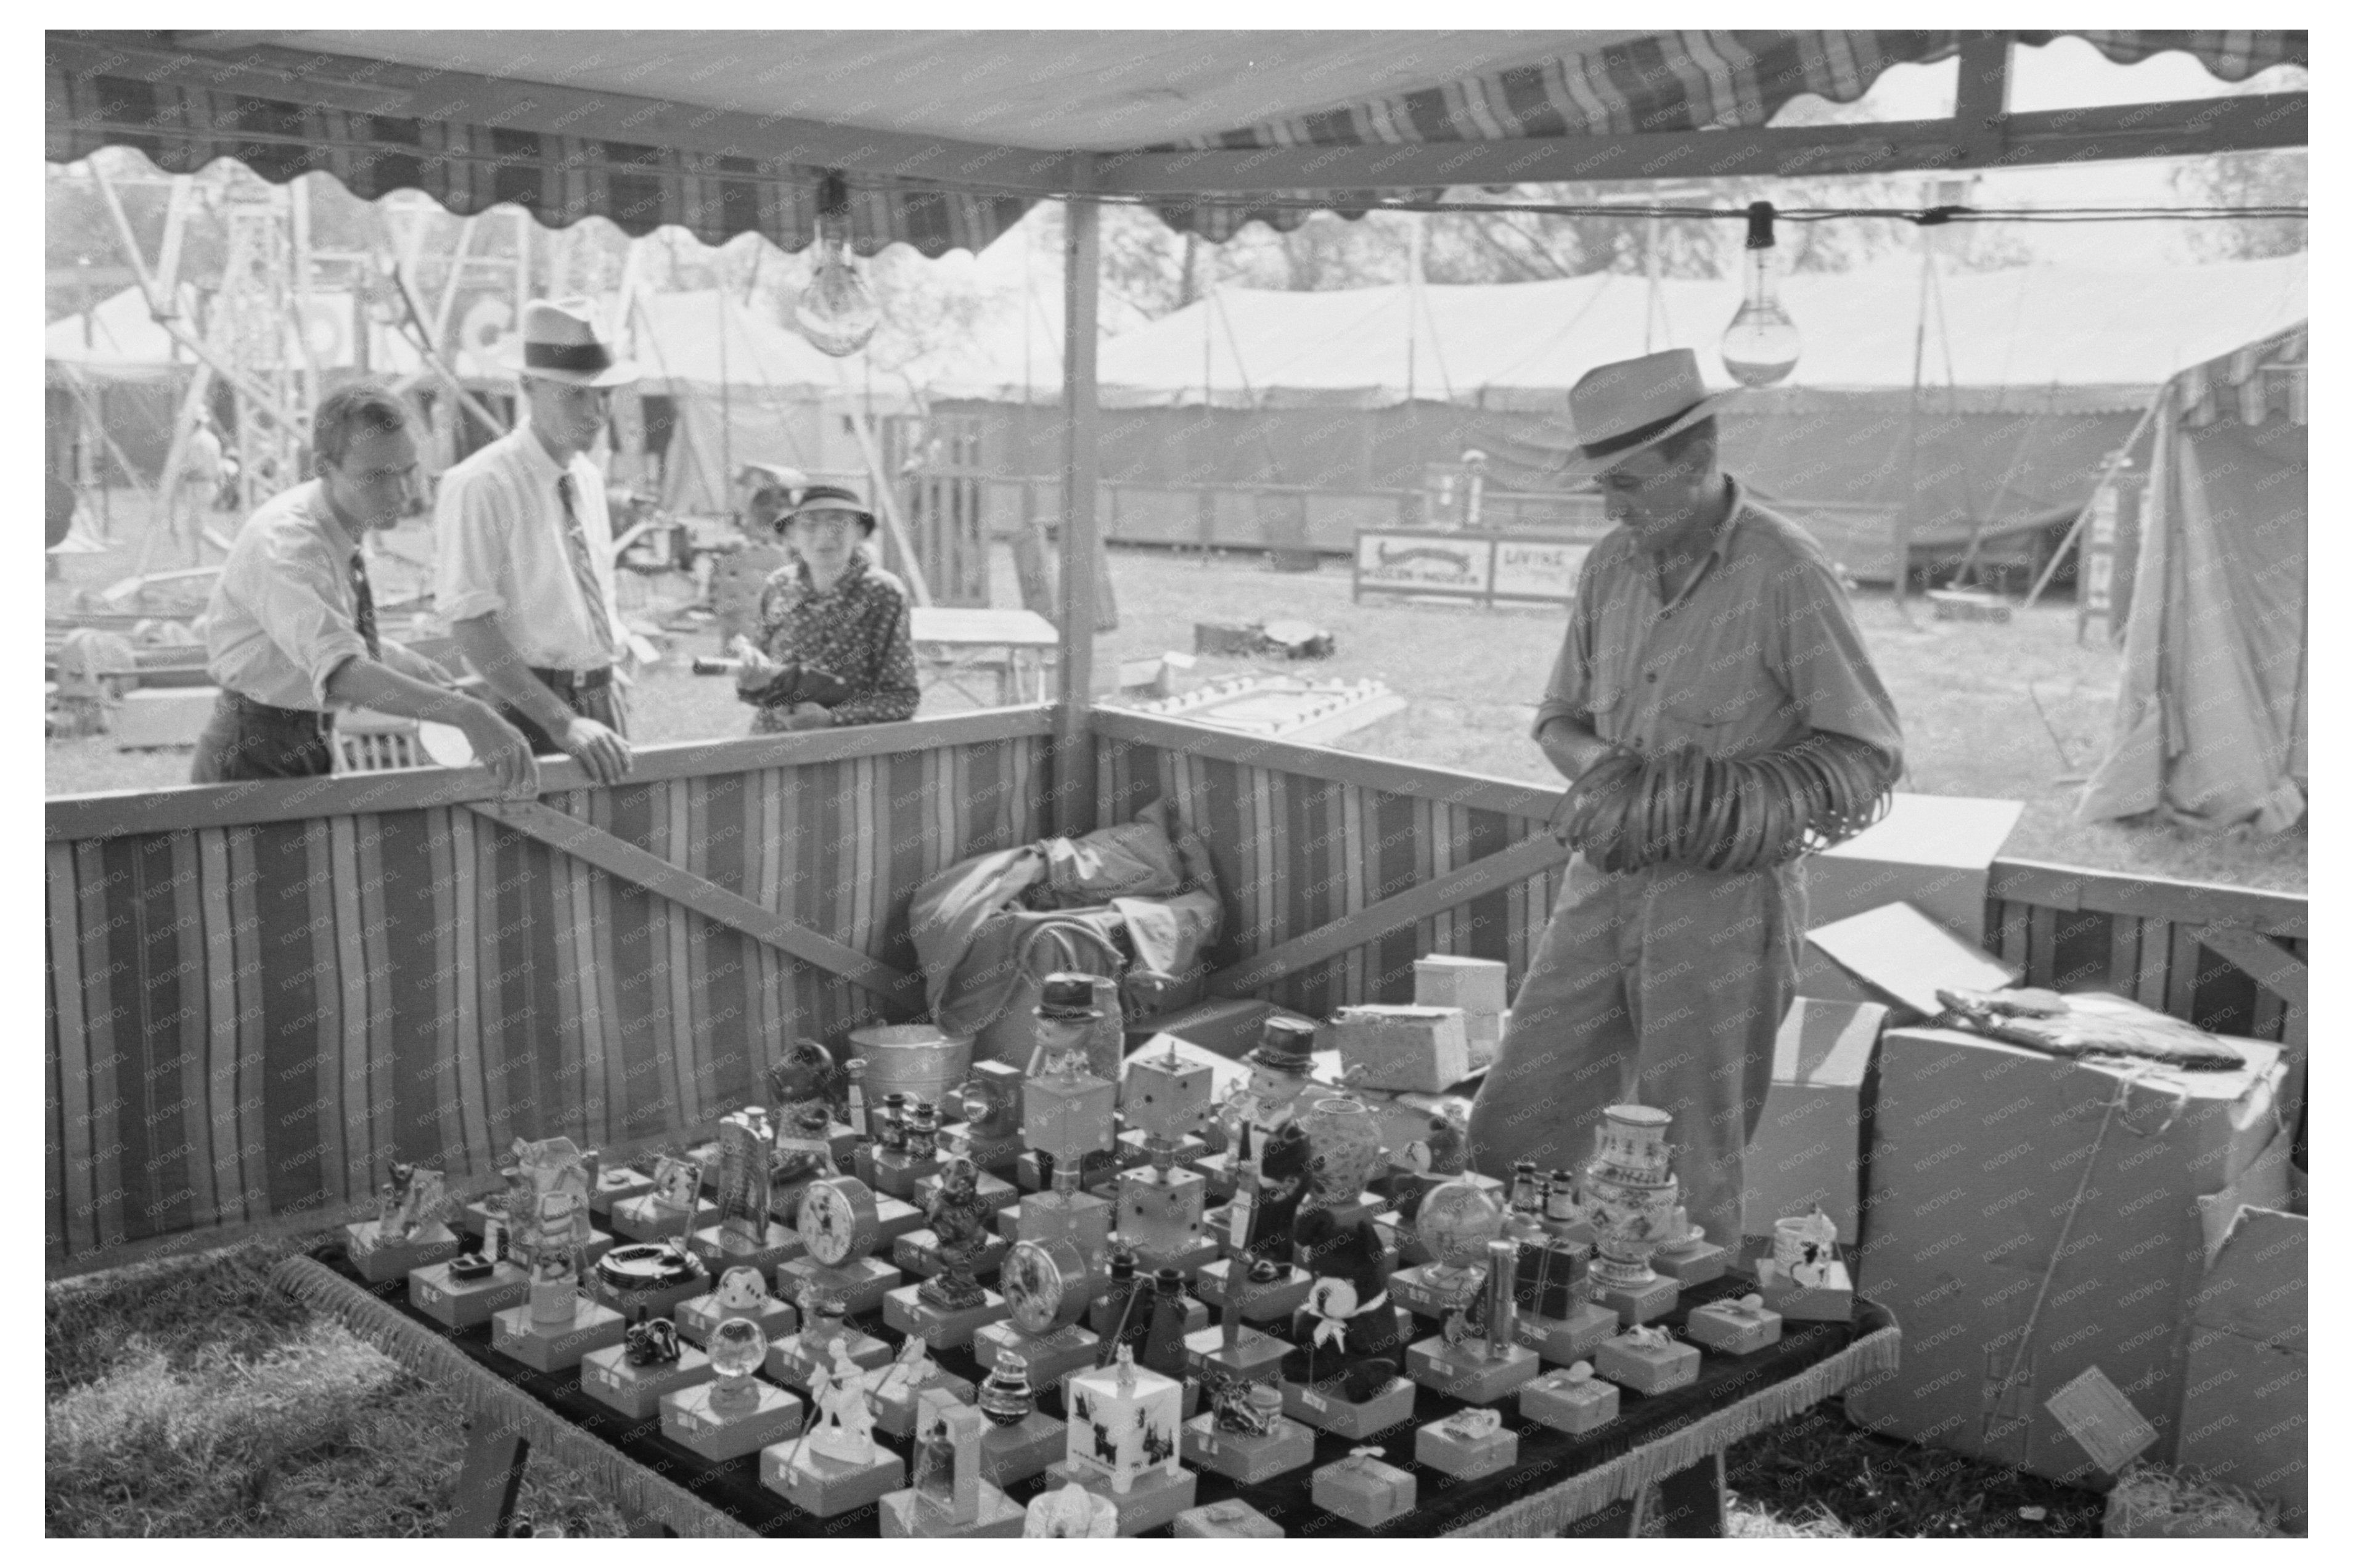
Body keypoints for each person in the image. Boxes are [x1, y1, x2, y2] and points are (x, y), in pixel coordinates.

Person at [1463, 348, 1903, 1250]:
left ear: (1696, 463)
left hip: (1726, 905)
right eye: (1602, 489)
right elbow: (1556, 721)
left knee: (1681, 1165)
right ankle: (1504, 1310)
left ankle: (1654, 1357)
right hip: (1604, 880)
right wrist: (1616, 774)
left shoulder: (1785, 572)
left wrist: (1721, 800)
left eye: (1626, 484)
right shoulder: (1610, 568)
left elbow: (1867, 750)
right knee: (1514, 1121)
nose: (1612, 507)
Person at [190, 383, 537, 791]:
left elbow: (315, 637)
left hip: (300, 732)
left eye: (408, 471)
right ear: (323, 466)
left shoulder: (337, 522)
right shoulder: (289, 543)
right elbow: (340, 673)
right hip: (252, 747)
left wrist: (397, 657)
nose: (400, 492)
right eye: (376, 477)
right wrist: (466, 714)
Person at [435, 297, 639, 785]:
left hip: (599, 699)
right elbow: (470, 624)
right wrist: (561, 721)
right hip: (529, 709)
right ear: (527, 386)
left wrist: (609, 667)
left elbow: (588, 597)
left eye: (605, 395)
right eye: (575, 395)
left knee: (613, 848)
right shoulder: (482, 483)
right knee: (540, 856)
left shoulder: (586, 477)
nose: (595, 411)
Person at [734, 482, 919, 732]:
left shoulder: (883, 592)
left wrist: (832, 719)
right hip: (772, 747)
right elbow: (758, 687)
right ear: (791, 535)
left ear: (861, 533)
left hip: (848, 754)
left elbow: (903, 699)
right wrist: (751, 682)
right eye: (809, 525)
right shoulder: (778, 585)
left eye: (838, 523)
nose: (824, 536)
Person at [175, 412, 225, 564]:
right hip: (207, 485)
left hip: (199, 485)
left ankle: (230, 550)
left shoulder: (196, 441)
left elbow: (194, 466)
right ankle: (197, 563)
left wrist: (177, 473)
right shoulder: (210, 438)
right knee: (195, 527)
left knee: (198, 528)